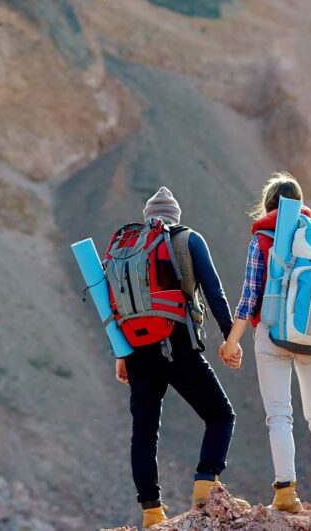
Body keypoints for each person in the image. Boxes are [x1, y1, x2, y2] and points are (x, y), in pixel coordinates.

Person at [114, 187, 248, 528]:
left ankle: (151, 512)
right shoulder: (188, 239)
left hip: (136, 351)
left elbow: (112, 305)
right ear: (176, 216)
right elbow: (214, 292)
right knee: (220, 415)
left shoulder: (126, 248)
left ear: (147, 218)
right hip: (177, 344)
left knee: (144, 432)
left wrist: (120, 354)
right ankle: (205, 488)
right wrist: (230, 338)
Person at [219, 172, 311, 513]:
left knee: (279, 416)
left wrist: (232, 341)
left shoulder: (262, 236)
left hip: (271, 335)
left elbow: (249, 295)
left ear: (268, 205)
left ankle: (286, 495)